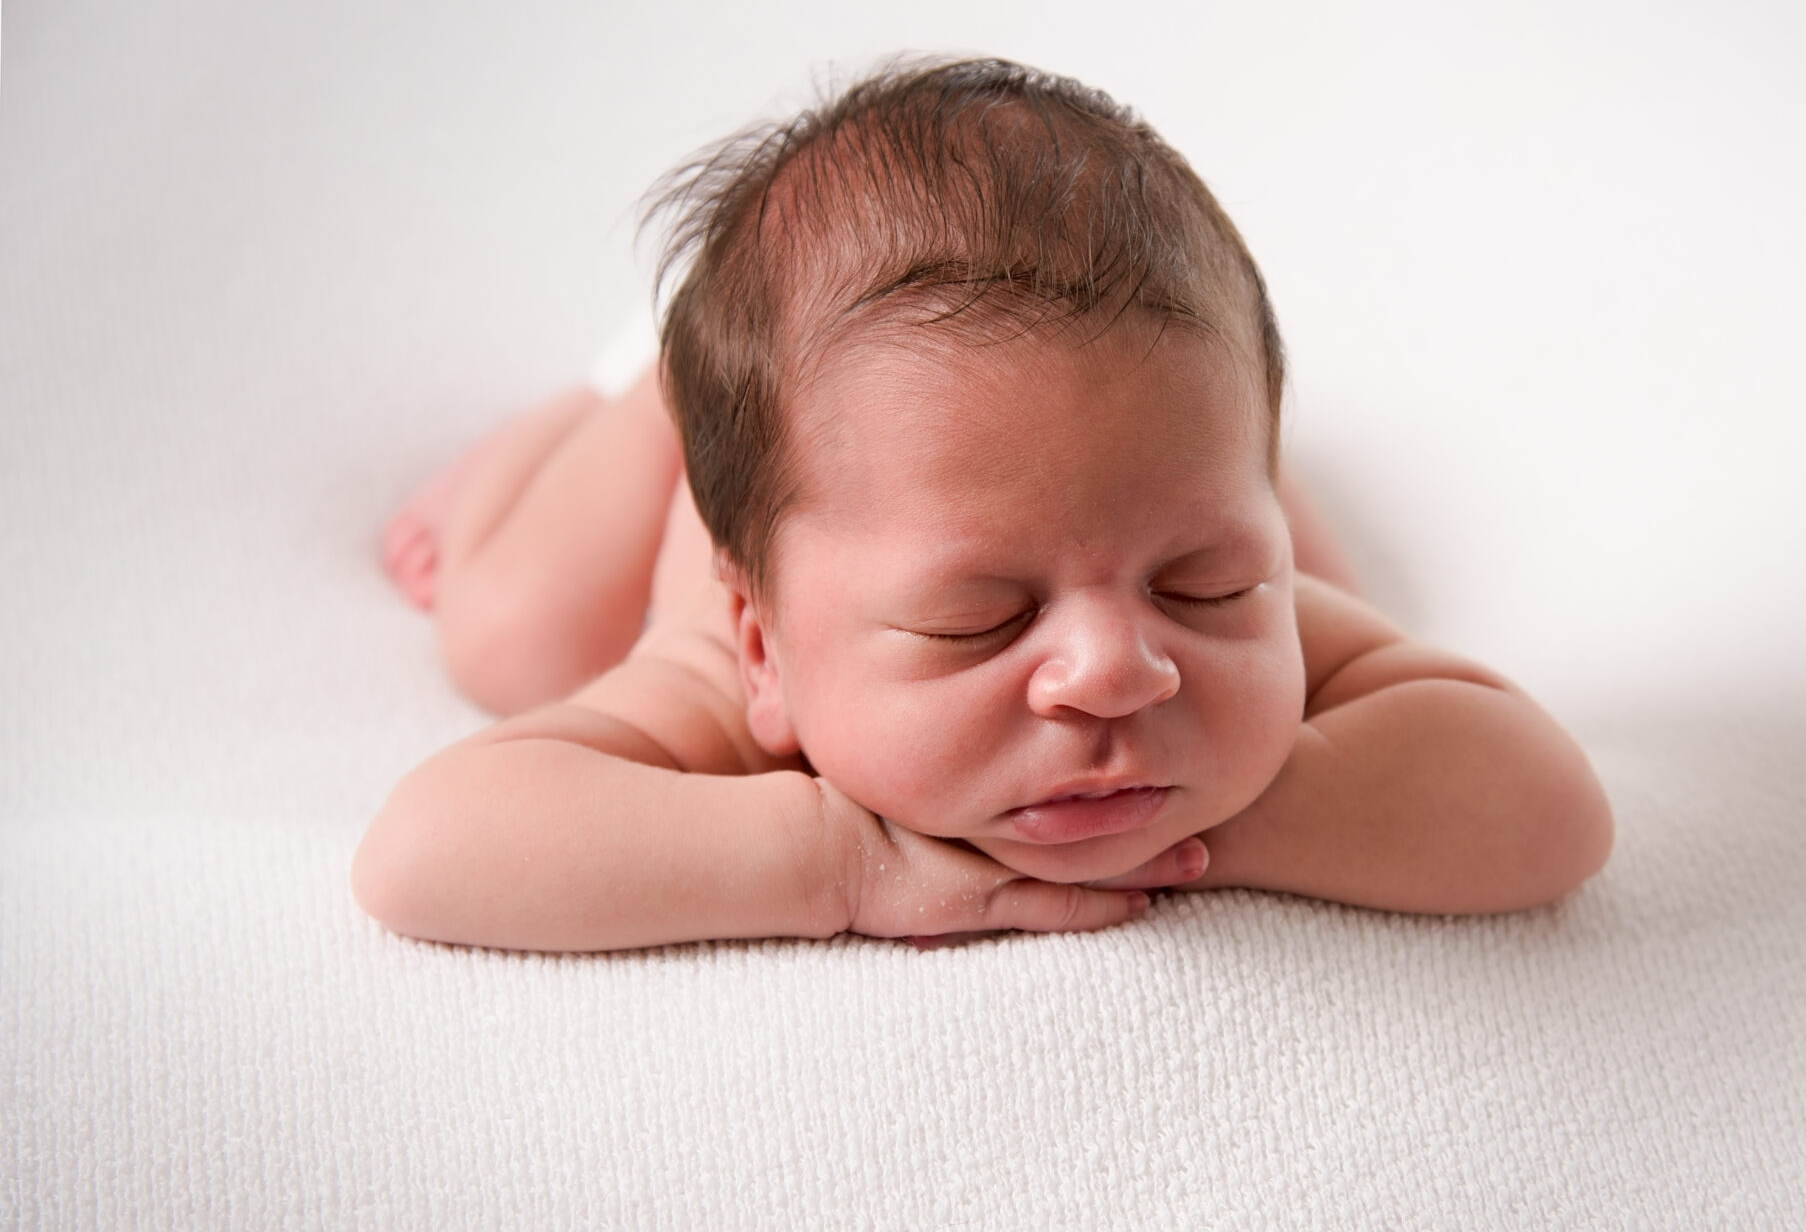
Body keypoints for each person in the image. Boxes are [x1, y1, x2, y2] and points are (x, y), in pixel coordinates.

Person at [353, 57, 1612, 952]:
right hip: (707, 433)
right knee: (514, 633)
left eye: (1204, 584)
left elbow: (1549, 811)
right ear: (763, 648)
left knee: (1287, 554)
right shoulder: (732, 671)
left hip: (1105, 452)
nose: (1116, 670)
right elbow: (424, 853)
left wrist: (1212, 812)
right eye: (977, 620)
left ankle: (1177, 444)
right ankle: (639, 390)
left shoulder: (1193, 632)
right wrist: (839, 860)